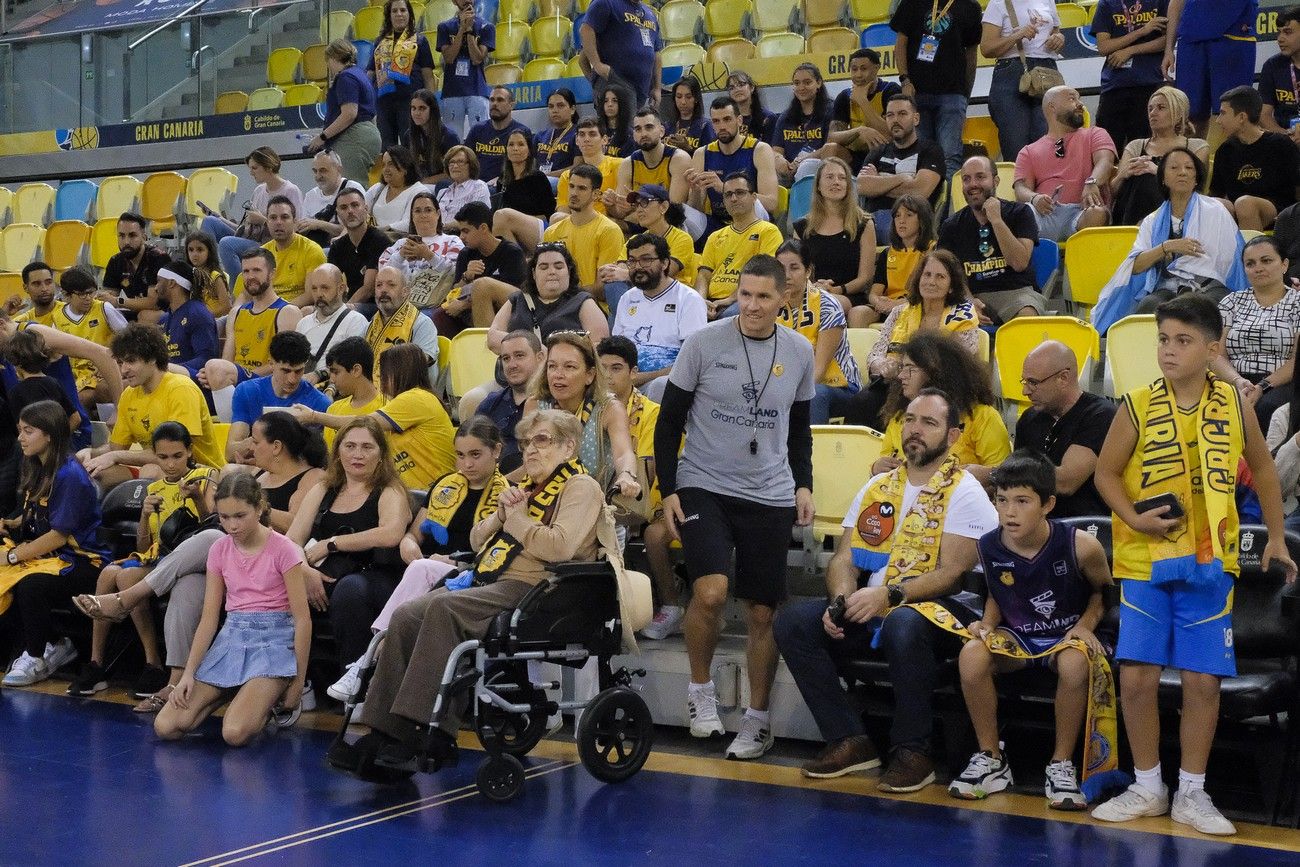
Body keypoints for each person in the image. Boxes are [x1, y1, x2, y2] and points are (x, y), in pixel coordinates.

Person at [1091, 293, 1296, 836]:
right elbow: (1106, 475)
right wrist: (1135, 520)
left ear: (1213, 348)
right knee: (1136, 676)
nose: (1169, 350)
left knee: (1203, 681)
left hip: (1210, 561)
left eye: (1183, 341)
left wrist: (1276, 537)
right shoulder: (1134, 403)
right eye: (1163, 339)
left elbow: (1265, 471)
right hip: (1143, 560)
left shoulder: (1235, 403)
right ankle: (1147, 784)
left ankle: (1193, 793)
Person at [326, 409, 603, 776]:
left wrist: (517, 519)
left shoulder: (580, 486)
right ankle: (382, 729)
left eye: (542, 441)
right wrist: (501, 515)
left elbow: (560, 547)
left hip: (540, 587)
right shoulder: (526, 489)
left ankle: (429, 731)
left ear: (569, 447)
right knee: (407, 614)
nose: (531, 451)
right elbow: (477, 541)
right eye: (526, 443)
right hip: (495, 577)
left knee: (445, 609)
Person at [773, 388, 998, 786]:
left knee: (904, 623)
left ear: (952, 437)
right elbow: (844, 558)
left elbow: (954, 574)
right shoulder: (877, 487)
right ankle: (848, 739)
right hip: (877, 606)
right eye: (910, 420)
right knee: (793, 620)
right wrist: (841, 600)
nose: (915, 429)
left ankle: (915, 751)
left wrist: (889, 595)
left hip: (944, 613)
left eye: (929, 423)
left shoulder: (965, 489)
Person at [654, 255, 815, 761]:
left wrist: (804, 485)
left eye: (763, 297)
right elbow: (669, 421)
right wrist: (670, 490)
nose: (751, 305)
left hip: (769, 491)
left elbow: (800, 429)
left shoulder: (800, 350)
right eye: (744, 294)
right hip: (705, 483)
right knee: (710, 591)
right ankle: (701, 693)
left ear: (783, 299)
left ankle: (757, 719)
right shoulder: (703, 342)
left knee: (763, 610)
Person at [75, 413, 324, 713]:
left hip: (269, 558)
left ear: (276, 446)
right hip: (229, 558)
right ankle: (176, 679)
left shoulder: (310, 477)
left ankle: (128, 598)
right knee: (188, 584)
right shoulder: (255, 477)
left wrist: (254, 511)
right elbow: (218, 517)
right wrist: (237, 509)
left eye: (255, 441)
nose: (247, 446)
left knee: (210, 537)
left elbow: (299, 526)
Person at [951, 450, 1113, 807]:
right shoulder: (988, 545)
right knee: (972, 654)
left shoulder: (1081, 545)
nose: (1009, 511)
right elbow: (998, 591)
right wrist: (988, 624)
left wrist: (1085, 627)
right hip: (1020, 636)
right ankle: (991, 758)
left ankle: (1061, 765)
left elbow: (1104, 594)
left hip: (1067, 635)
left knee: (1073, 663)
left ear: (1048, 504)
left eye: (1022, 501)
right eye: (1002, 500)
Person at [327, 415, 509, 701]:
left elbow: (501, 554)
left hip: (473, 575)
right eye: (460, 455)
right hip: (428, 571)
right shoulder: (445, 485)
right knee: (420, 565)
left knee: (423, 567)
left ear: (496, 451)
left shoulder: (506, 495)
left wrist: (455, 562)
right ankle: (373, 676)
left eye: (476, 455)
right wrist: (409, 544)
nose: (467, 464)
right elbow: (413, 535)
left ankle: (367, 660)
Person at [153, 473, 311, 746]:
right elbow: (209, 619)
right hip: (232, 640)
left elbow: (302, 619)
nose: (232, 525)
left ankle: (265, 698)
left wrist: (298, 682)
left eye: (240, 515)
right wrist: (189, 673)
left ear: (259, 509)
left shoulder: (284, 549)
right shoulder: (219, 550)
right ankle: (233, 689)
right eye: (224, 517)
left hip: (274, 643)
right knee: (166, 725)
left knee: (234, 733)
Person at [68, 422, 218, 699]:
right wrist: (145, 516)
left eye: (177, 456)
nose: (171, 464)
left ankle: (153, 664)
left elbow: (215, 527)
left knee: (125, 577)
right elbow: (145, 546)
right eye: (163, 457)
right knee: (106, 574)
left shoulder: (206, 477)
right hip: (159, 558)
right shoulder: (155, 488)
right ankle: (96, 662)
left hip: (191, 560)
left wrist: (197, 498)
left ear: (189, 451)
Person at [287, 416, 411, 670]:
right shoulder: (324, 489)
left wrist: (332, 543)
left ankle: (355, 678)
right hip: (321, 573)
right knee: (279, 581)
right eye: (350, 446)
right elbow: (291, 540)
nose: (358, 454)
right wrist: (304, 570)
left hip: (375, 575)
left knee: (349, 591)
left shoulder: (389, 489)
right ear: (338, 451)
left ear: (381, 454)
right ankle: (297, 678)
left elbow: (391, 533)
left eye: (367, 447)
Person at [1, 400, 110, 687]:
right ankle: (44, 643)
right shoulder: (36, 467)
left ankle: (39, 654)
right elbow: (37, 519)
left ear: (49, 434)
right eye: (20, 431)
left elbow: (58, 535)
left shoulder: (70, 474)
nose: (21, 438)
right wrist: (11, 524)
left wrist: (13, 556)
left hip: (85, 561)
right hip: (52, 557)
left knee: (29, 583)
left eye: (28, 431)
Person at [1093, 147, 1248, 332]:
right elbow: (1135, 266)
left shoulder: (1216, 211)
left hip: (1209, 286)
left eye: (1189, 168)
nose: (1182, 172)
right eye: (1174, 167)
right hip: (1167, 288)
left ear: (1196, 178)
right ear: (1163, 178)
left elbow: (1232, 259)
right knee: (1147, 308)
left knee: (1209, 309)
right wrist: (1166, 247)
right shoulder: (1151, 221)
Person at [847, 251, 982, 429]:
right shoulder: (899, 313)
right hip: (896, 383)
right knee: (862, 402)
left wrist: (919, 372)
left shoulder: (963, 317)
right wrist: (883, 365)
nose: (931, 281)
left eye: (940, 277)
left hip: (941, 387)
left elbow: (961, 364)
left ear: (951, 286)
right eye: (927, 275)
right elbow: (875, 355)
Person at [294, 342, 455, 490]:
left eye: (384, 373)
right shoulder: (412, 398)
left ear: (400, 372)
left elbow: (365, 423)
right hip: (411, 494)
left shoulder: (417, 398)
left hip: (432, 494)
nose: (381, 379)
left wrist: (313, 416)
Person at [80, 324, 224, 488]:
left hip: (201, 473)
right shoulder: (128, 395)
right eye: (120, 363)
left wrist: (116, 456)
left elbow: (174, 454)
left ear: (153, 358)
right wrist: (90, 453)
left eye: (131, 361)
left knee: (151, 470)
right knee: (90, 472)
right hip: (157, 469)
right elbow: (115, 447)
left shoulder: (180, 389)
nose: (124, 370)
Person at [868, 330, 1010, 485]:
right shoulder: (900, 417)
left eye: (910, 368)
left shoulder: (982, 417)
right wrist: (876, 469)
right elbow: (885, 464)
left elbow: (1004, 479)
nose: (901, 375)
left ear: (937, 373)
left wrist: (981, 478)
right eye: (902, 367)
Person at [523, 331, 641, 496]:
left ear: (590, 375)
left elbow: (623, 454)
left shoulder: (608, 408)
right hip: (541, 502)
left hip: (591, 505)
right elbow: (528, 463)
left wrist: (626, 476)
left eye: (569, 367)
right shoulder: (535, 405)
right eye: (552, 366)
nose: (558, 374)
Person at [1014, 340, 1118, 517]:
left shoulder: (1101, 415)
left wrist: (995, 473)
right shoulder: (1028, 419)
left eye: (1033, 382)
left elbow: (1066, 481)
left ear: (1063, 378)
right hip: (1037, 526)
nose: (1025, 391)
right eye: (1024, 381)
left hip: (1087, 526)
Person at [939, 155, 1044, 325]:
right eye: (966, 179)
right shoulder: (951, 225)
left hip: (1017, 293)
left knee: (1027, 317)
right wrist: (968, 301)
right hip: (973, 295)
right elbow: (950, 272)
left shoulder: (1020, 212)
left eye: (980, 177)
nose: (973, 184)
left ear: (995, 181)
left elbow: (1019, 262)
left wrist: (996, 220)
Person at [1213, 236, 1300, 427]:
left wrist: (1262, 386)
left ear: (1284, 264)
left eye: (1266, 261)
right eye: (1250, 263)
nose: (1258, 268)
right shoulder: (1231, 302)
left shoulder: (1297, 302)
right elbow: (1216, 355)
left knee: (1266, 406)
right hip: (1234, 379)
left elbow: (1297, 360)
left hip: (1281, 382)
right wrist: (1238, 381)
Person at [612, 232, 708, 403]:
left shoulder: (688, 299)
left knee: (660, 386)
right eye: (632, 261)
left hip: (665, 382)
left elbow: (693, 361)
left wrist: (641, 377)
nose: (638, 266)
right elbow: (616, 351)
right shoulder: (628, 298)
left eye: (646, 259)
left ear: (664, 263)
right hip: (625, 380)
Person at [1013, 86, 1117, 242]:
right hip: (1044, 213)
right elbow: (1021, 189)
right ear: (1052, 107)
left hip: (1082, 211)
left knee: (1097, 212)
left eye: (1079, 98)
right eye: (1072, 99)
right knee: (1019, 213)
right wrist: (1035, 198)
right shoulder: (1028, 151)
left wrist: (1091, 181)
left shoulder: (1095, 133)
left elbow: (1105, 161)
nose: (1080, 104)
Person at [891, 0, 982, 176]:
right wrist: (905, 80)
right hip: (917, 92)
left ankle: (946, 203)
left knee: (950, 157)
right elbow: (901, 42)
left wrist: (965, 93)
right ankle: (923, 203)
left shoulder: (970, 6)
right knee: (919, 157)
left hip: (953, 94)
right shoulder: (912, 3)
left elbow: (972, 52)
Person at [775, 240, 862, 425]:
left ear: (808, 271)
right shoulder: (773, 305)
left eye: (794, 268)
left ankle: (811, 452)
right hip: (791, 384)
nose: (787, 275)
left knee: (814, 394)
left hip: (839, 387)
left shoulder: (827, 305)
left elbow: (819, 370)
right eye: (781, 268)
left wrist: (788, 395)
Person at [200, 248, 303, 392]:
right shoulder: (236, 313)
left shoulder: (287, 312)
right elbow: (227, 360)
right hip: (235, 384)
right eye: (246, 272)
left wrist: (238, 376)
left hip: (267, 387)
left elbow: (284, 365)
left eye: (256, 270)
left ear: (272, 274)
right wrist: (214, 374)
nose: (250, 276)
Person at [1109, 86, 1211, 226]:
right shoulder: (1136, 146)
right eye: (1150, 109)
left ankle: (1149, 225)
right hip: (1130, 210)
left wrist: (1157, 171)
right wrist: (1124, 174)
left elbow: (1195, 185)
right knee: (1140, 176)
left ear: (1179, 113)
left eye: (1161, 108)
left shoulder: (1196, 146)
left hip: (1179, 210)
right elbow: (1113, 191)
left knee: (1148, 177)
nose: (1153, 113)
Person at [227, 332, 333, 464]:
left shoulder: (321, 403)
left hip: (296, 473)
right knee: (229, 470)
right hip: (258, 468)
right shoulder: (247, 391)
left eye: (298, 371)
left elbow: (322, 460)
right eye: (286, 371)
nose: (292, 379)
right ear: (271, 363)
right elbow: (231, 452)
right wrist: (255, 444)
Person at [201, 149, 305, 283]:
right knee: (210, 221)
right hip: (251, 237)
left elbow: (296, 228)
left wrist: (263, 220)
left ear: (268, 166)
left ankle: (240, 287)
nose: (251, 173)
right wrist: (219, 218)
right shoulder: (259, 190)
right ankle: (206, 276)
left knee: (227, 243)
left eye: (255, 168)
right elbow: (244, 228)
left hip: (270, 242)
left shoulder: (290, 190)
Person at [486, 243, 610, 354]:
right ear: (534, 274)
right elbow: (492, 337)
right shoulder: (517, 299)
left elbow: (599, 346)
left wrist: (554, 358)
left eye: (558, 267)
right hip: (516, 374)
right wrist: (534, 348)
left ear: (569, 271)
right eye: (544, 267)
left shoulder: (583, 301)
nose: (552, 272)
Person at [856, 94, 946, 243]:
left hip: (911, 220)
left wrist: (878, 181)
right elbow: (861, 185)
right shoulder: (878, 152)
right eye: (890, 115)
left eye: (902, 114)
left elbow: (920, 192)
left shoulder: (931, 150)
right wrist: (902, 179)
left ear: (916, 118)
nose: (895, 120)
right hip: (873, 219)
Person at [685, 96, 779, 239]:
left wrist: (724, 188)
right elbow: (697, 209)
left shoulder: (759, 149)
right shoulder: (702, 153)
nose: (722, 126)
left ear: (739, 120)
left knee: (757, 209)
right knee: (682, 213)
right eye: (716, 121)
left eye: (727, 119)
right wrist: (696, 191)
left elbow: (771, 203)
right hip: (719, 223)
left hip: (754, 220)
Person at [792, 157, 876, 317]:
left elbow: (865, 278)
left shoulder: (864, 223)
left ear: (848, 186)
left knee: (825, 304)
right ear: (818, 186)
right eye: (829, 177)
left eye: (842, 178)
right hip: (811, 292)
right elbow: (797, 269)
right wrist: (814, 288)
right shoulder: (802, 226)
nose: (836, 182)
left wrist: (836, 289)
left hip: (849, 295)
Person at [1209, 86, 1300, 231]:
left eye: (1223, 113)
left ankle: (1254, 252)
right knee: (1213, 204)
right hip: (1238, 210)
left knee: (1245, 204)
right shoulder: (1225, 150)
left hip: (1279, 213)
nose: (1218, 120)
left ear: (1242, 117)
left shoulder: (1281, 145)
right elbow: (1216, 193)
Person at [981, 0, 1064, 161]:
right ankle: (1020, 183)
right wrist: (1016, 36)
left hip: (1046, 70)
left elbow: (1055, 31)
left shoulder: (1048, 1)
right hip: (1011, 70)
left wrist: (1058, 38)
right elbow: (986, 48)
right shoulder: (998, 3)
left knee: (1049, 141)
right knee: (1015, 144)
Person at [696, 172, 784, 318]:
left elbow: (764, 274)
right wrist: (700, 301)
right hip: (713, 302)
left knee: (730, 315)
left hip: (745, 299)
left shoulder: (768, 231)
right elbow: (704, 275)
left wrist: (730, 299)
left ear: (754, 197)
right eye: (728, 195)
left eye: (740, 193)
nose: (734, 198)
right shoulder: (715, 236)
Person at [1090, 0, 1172, 154]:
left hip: (1148, 83)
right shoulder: (1107, 4)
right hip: (1114, 85)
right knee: (1108, 149)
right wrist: (1142, 31)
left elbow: (1167, 41)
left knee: (1145, 148)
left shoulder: (1160, 1)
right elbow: (1103, 47)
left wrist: (1130, 50)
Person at [1162, 0, 1258, 131]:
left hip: (1232, 34)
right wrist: (1169, 48)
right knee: (1190, 112)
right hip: (1192, 37)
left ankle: (1224, 152)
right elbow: (1177, 2)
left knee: (1231, 109)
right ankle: (1193, 151)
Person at [434, 201, 526, 336]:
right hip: (474, 309)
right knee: (439, 316)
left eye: (466, 231)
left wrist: (464, 305)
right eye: (460, 231)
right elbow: (455, 291)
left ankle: (488, 349)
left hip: (509, 310)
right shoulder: (466, 254)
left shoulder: (512, 252)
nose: (461, 237)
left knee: (482, 284)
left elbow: (514, 297)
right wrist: (466, 277)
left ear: (483, 228)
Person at [542, 165, 626, 303]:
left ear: (596, 194)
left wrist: (565, 293)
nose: (574, 193)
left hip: (594, 308)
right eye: (571, 186)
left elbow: (604, 289)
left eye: (582, 188)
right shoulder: (552, 232)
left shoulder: (609, 231)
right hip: (557, 307)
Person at [604, 185, 697, 307]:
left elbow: (665, 275)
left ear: (663, 206)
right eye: (636, 205)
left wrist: (626, 274)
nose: (638, 210)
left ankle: (628, 322)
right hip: (641, 294)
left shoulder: (682, 238)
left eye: (645, 202)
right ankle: (627, 322)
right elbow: (621, 269)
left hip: (672, 300)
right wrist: (611, 272)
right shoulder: (634, 240)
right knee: (613, 284)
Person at [463, 330, 543, 473]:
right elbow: (472, 455)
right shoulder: (490, 404)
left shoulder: (552, 403)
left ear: (540, 357)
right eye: (506, 358)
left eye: (519, 356)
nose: (512, 365)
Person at [377, 191, 464, 313]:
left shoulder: (452, 241)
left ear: (438, 214)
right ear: (412, 216)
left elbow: (454, 272)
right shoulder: (398, 245)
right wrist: (401, 256)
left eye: (428, 210)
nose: (423, 215)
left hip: (435, 305)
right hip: (400, 303)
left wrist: (429, 255)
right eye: (417, 211)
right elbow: (384, 275)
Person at [308, 40, 382, 185]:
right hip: (368, 132)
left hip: (353, 137)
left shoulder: (346, 77)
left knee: (352, 186)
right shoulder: (360, 75)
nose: (328, 65)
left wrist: (322, 137)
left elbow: (349, 113)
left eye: (328, 60)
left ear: (333, 58)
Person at [54, 266, 129, 406]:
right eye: (82, 294)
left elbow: (129, 338)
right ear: (67, 295)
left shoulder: (104, 308)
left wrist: (117, 360)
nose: (88, 298)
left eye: (91, 293)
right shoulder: (57, 318)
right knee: (69, 401)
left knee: (99, 391)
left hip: (107, 367)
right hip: (78, 375)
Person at [231, 197, 327, 307]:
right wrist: (235, 313)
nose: (278, 222)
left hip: (295, 312)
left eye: (284, 217)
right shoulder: (262, 253)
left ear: (294, 222)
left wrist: (278, 313)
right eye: (273, 218)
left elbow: (310, 295)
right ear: (267, 222)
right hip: (263, 311)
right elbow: (244, 294)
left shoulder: (312, 250)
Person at [369, 0, 436, 150]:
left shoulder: (420, 40)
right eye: (394, 11)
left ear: (409, 14)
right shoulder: (379, 42)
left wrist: (432, 107)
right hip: (384, 104)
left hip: (411, 104)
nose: (399, 14)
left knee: (413, 147)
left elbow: (428, 76)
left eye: (403, 10)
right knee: (387, 150)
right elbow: (370, 73)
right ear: (389, 16)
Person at [295, 265, 371, 391]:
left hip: (335, 391)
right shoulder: (303, 323)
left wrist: (318, 374)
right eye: (314, 289)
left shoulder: (355, 321)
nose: (319, 294)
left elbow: (352, 365)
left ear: (341, 288)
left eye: (325, 288)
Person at [608, 109, 691, 223]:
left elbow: (673, 211)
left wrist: (634, 210)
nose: (643, 134)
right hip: (642, 224)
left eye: (649, 127)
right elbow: (621, 212)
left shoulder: (679, 159)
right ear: (634, 135)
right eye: (638, 129)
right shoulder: (628, 164)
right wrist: (611, 206)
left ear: (661, 131)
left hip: (676, 224)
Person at [866, 195, 936, 327]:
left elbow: (929, 293)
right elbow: (874, 292)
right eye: (897, 216)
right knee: (858, 313)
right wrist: (878, 302)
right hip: (888, 304)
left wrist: (897, 304)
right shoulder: (887, 253)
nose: (901, 221)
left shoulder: (933, 251)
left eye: (909, 215)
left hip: (916, 304)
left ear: (922, 220)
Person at [581, 0, 662, 110]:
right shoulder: (606, 3)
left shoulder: (650, 14)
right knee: (614, 126)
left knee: (634, 126)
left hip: (640, 93)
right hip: (613, 87)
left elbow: (656, 52)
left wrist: (657, 87)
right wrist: (597, 65)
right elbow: (586, 29)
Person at [826, 49, 896, 174]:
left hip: (886, 153)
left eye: (864, 69)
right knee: (830, 148)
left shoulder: (890, 90)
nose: (858, 75)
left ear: (876, 69)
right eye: (854, 69)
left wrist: (862, 101)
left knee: (884, 145)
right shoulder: (844, 96)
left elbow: (891, 134)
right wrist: (859, 131)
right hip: (855, 154)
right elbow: (832, 137)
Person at [366, 265, 440, 382]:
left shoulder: (422, 323)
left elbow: (421, 363)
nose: (383, 290)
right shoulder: (370, 325)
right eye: (379, 285)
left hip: (409, 393)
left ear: (405, 292)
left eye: (391, 285)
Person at [152, 260, 218, 381]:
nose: (155, 288)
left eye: (159, 281)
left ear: (172, 283)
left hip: (190, 384)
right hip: (166, 379)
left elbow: (206, 359)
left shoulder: (197, 314)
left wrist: (170, 369)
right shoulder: (164, 318)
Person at [327, 188, 391, 309]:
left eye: (355, 205)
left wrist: (342, 311)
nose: (350, 211)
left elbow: (369, 289)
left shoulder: (379, 240)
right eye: (344, 207)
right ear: (338, 213)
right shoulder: (337, 246)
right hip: (350, 303)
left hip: (377, 306)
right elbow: (330, 283)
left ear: (366, 209)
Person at [436, 0, 493, 136]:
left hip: (477, 89)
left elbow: (477, 59)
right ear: (454, 1)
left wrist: (469, 31)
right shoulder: (444, 27)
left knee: (481, 136)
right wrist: (462, 28)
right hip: (452, 91)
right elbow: (449, 58)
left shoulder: (487, 26)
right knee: (453, 138)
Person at [771, 63, 836, 184]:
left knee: (806, 167)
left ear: (819, 83)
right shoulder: (785, 117)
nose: (801, 87)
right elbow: (776, 150)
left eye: (807, 82)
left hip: (819, 166)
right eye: (796, 83)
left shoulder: (832, 111)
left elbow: (831, 147)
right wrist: (779, 160)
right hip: (790, 168)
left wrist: (802, 161)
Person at [552, 118, 624, 225]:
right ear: (576, 140)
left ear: (604, 140)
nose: (586, 139)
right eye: (582, 134)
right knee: (556, 218)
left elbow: (624, 211)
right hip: (578, 225)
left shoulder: (620, 165)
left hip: (609, 224)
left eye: (592, 134)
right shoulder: (567, 176)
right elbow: (563, 213)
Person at [100, 212, 172, 317]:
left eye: (132, 235)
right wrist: (102, 297)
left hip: (166, 312)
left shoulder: (158, 258)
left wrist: (117, 301)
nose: (126, 242)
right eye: (121, 236)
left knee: (144, 316)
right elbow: (109, 298)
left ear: (144, 237)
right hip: (135, 311)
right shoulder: (116, 261)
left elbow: (154, 303)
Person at [320, 337, 386, 449]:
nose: (332, 379)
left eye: (336, 372)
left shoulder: (388, 408)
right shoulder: (333, 409)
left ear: (356, 370)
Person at [464, 86, 532, 186]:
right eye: (491, 100)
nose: (494, 104)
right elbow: (465, 160)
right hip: (476, 185)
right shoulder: (477, 129)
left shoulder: (521, 132)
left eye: (500, 100)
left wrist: (503, 179)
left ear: (511, 105)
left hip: (505, 184)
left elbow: (527, 167)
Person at [297, 150, 367, 247]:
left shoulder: (353, 189)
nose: (318, 176)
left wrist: (319, 224)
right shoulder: (310, 195)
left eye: (323, 170)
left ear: (339, 169)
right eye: (315, 171)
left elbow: (358, 227)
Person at [1258, 6, 1300, 144]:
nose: (1280, 39)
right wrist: (1287, 137)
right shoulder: (1272, 66)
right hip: (1285, 140)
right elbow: (1264, 116)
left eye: (1288, 32)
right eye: (1279, 32)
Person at [498, 130, 557, 223]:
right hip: (508, 225)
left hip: (536, 226)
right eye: (511, 144)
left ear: (529, 150)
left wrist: (518, 220)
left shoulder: (538, 178)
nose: (515, 148)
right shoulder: (503, 179)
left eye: (521, 144)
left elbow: (549, 215)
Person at [365, 146, 426, 235]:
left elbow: (409, 223)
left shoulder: (419, 191)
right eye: (383, 165)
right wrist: (369, 224)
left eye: (391, 164)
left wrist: (379, 230)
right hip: (374, 238)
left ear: (405, 168)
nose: (385, 169)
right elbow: (361, 210)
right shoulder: (378, 188)